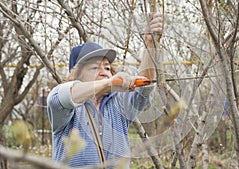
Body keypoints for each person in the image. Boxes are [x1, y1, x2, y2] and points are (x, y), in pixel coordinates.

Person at [47, 13, 163, 168]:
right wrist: (108, 83)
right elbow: (60, 97)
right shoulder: (65, 109)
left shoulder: (119, 105)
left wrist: (150, 44)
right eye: (95, 68)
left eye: (107, 68)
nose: (104, 72)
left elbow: (145, 86)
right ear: (76, 75)